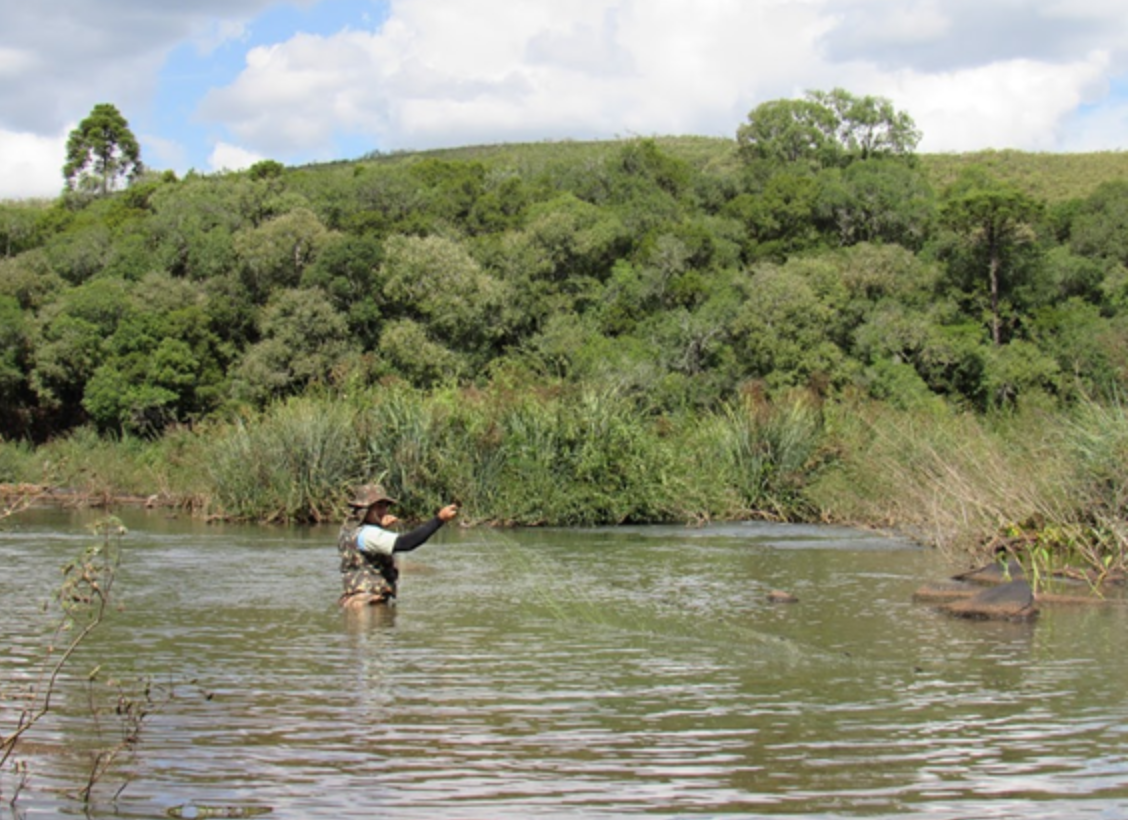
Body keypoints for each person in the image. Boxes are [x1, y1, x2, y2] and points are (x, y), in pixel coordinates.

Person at [337, 483, 459, 608]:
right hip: (368, 603)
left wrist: (379, 526)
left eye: (385, 506)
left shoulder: (349, 531)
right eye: (378, 507)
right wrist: (439, 519)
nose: (383, 511)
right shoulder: (369, 534)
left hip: (355, 600)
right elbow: (406, 543)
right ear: (365, 509)